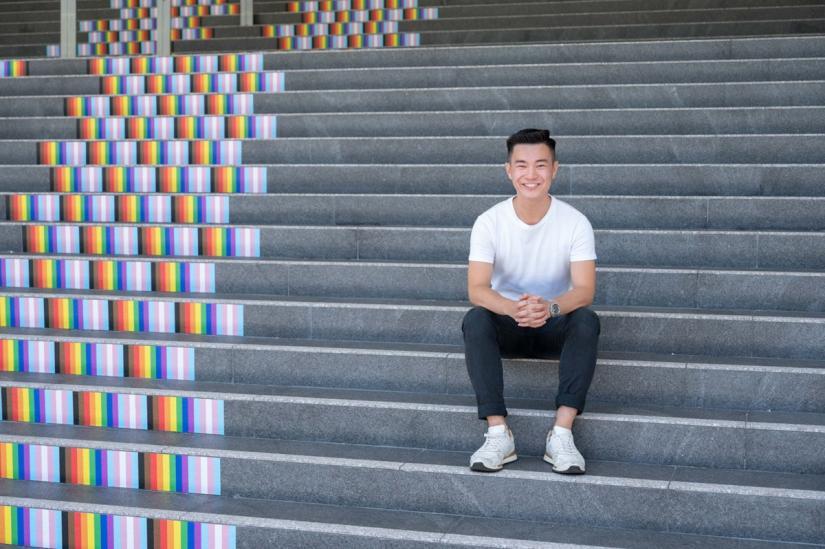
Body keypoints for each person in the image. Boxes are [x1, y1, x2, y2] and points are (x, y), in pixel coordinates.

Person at [462, 128, 600, 474]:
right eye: (521, 165)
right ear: (509, 170)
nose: (531, 174)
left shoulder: (575, 222)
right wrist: (513, 308)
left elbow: (584, 290)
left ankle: (562, 434)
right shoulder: (489, 222)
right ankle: (498, 433)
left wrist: (549, 308)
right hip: (508, 321)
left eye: (541, 165)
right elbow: (477, 288)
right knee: (475, 318)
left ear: (555, 169)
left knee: (587, 319)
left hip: (554, 321)